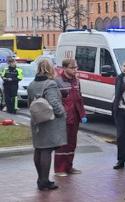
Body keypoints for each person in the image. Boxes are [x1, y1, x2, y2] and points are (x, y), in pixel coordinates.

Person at [27, 59, 66, 191]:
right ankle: (45, 181)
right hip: (49, 120)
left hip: (37, 119)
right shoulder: (50, 84)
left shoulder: (32, 84)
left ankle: (40, 179)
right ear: (50, 69)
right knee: (46, 149)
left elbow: (29, 102)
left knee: (39, 149)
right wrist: (62, 113)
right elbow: (53, 102)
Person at [53, 58, 87, 177]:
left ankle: (69, 166)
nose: (75, 70)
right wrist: (60, 113)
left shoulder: (76, 81)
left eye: (76, 67)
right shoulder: (57, 81)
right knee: (62, 144)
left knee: (72, 143)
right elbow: (55, 100)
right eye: (72, 68)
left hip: (75, 116)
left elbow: (79, 99)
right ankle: (59, 169)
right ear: (64, 68)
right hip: (64, 117)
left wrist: (83, 114)